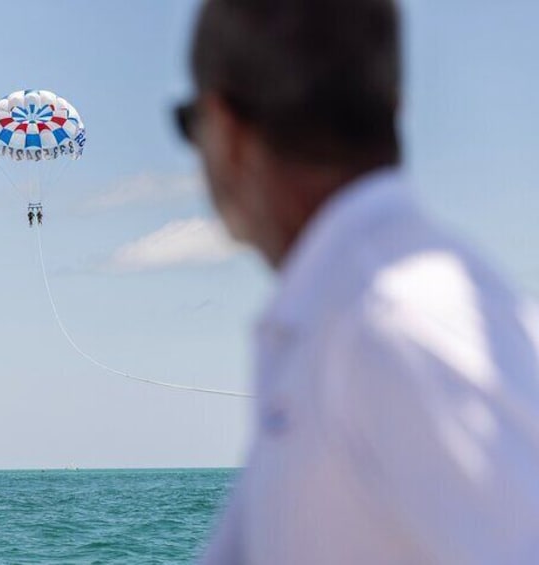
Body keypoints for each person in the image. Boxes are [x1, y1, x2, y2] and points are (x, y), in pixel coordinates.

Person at [177, 1, 539, 563]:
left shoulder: (393, 320)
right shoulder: (333, 315)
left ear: (225, 129)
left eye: (186, 125)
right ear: (393, 108)